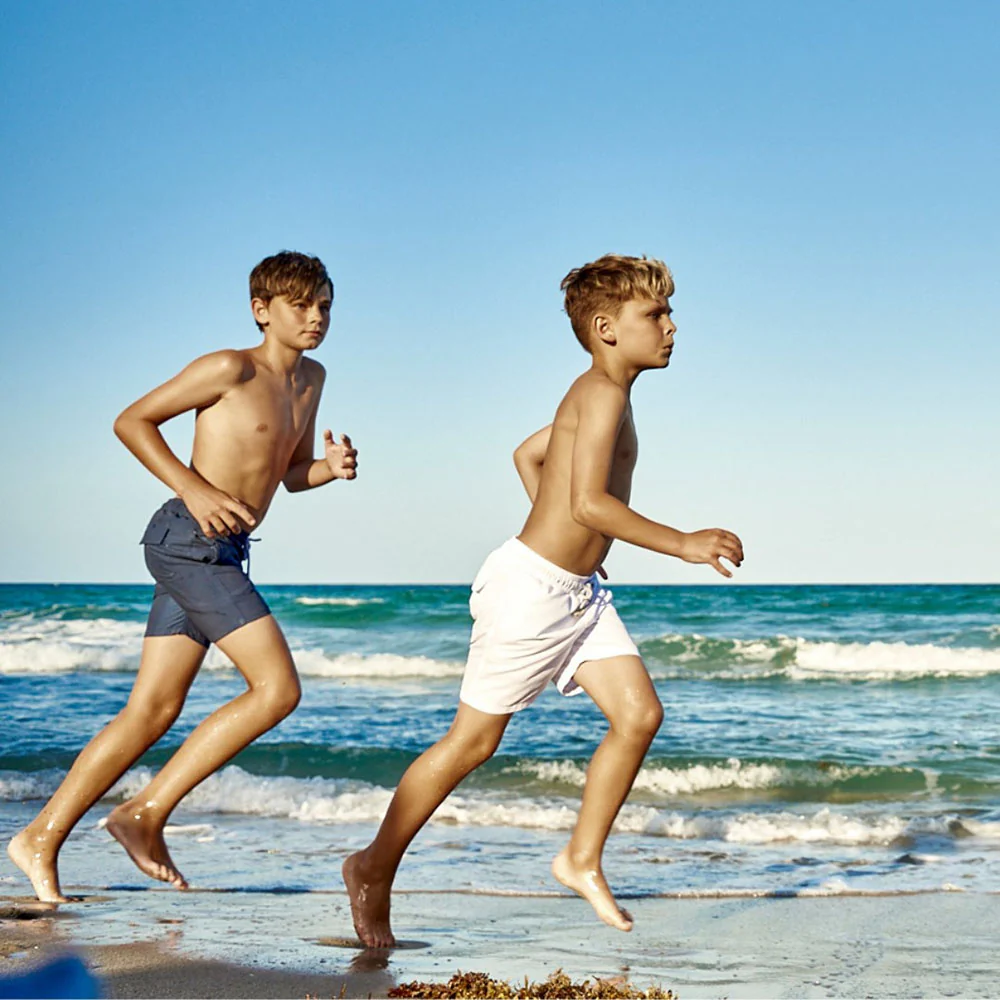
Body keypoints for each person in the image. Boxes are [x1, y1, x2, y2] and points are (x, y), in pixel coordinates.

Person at [342, 253, 743, 947]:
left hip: (578, 594)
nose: (672, 327)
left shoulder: (602, 394)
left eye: (669, 313)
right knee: (472, 743)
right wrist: (681, 542)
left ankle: (579, 857)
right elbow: (589, 502)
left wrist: (570, 548)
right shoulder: (601, 394)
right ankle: (372, 866)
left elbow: (529, 458)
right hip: (529, 593)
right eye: (656, 315)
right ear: (605, 328)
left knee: (639, 713)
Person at [8, 251, 358, 902]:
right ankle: (143, 813)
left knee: (152, 710)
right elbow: (131, 420)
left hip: (223, 551)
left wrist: (328, 470)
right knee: (277, 689)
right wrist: (195, 488)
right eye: (302, 305)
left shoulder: (312, 379)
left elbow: (289, 473)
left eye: (326, 305)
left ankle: (40, 837)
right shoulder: (229, 367)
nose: (317, 317)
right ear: (262, 311)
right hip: (185, 539)